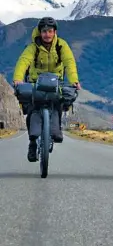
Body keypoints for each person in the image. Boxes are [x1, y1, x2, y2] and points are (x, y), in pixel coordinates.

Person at [12, 17, 81, 162]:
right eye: (44, 31)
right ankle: (32, 143)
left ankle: (56, 131)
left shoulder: (61, 46)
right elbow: (23, 61)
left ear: (55, 32)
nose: (47, 35)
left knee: (58, 104)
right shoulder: (33, 47)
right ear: (40, 32)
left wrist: (74, 81)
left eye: (50, 31)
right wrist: (18, 79)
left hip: (56, 82)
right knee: (31, 108)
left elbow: (69, 63)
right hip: (35, 82)